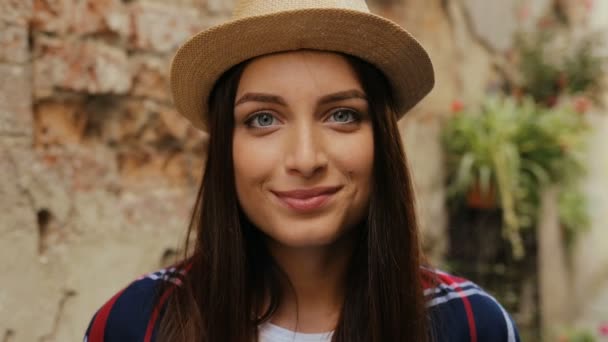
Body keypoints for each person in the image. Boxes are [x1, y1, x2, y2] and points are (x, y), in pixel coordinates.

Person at [84, 0, 520, 341]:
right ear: (225, 147)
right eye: (263, 119)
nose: (306, 159)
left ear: (382, 141)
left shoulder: (470, 326)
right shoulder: (132, 325)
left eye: (342, 115)